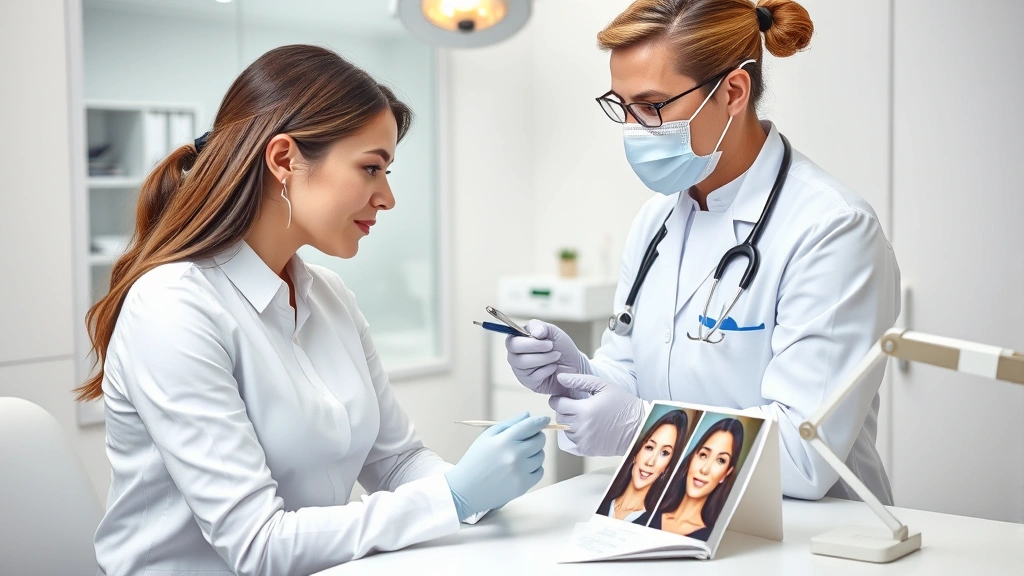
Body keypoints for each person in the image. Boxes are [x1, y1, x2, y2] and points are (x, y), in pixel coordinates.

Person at [76, 45, 547, 576]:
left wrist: (480, 486)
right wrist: (452, 499)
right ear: (284, 160)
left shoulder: (329, 295)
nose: (387, 197)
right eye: (371, 168)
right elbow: (258, 545)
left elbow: (396, 461)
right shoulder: (173, 307)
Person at [504, 0, 899, 504]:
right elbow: (631, 376)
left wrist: (639, 433)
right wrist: (572, 370)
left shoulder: (831, 230)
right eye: (621, 106)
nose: (632, 128)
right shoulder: (657, 221)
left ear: (733, 91)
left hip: (807, 535)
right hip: (671, 514)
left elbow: (806, 459)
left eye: (651, 106)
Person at [640, 418, 745, 540]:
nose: (705, 469)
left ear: (725, 474)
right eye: (703, 455)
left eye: (720, 460)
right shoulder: (646, 514)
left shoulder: (710, 537)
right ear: (692, 458)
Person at [596, 410, 689, 522]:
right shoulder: (600, 504)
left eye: (664, 453)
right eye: (649, 447)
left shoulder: (656, 522)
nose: (650, 462)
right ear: (636, 453)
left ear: (667, 467)